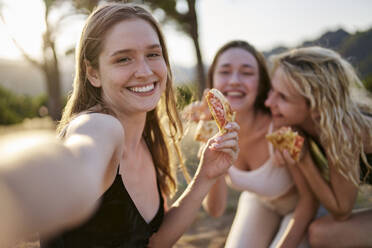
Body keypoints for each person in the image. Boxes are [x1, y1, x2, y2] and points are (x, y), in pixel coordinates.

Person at [0, 3, 240, 248]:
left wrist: (205, 176)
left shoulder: (148, 142)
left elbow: (153, 243)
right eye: (123, 59)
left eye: (153, 54)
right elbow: (78, 161)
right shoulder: (100, 127)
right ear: (93, 73)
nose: (145, 71)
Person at [183, 40, 317, 248]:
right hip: (259, 202)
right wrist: (213, 157)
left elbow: (309, 201)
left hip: (300, 210)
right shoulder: (213, 132)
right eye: (225, 72)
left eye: (246, 72)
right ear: (213, 82)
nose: (235, 81)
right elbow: (215, 210)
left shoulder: (281, 129)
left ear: (262, 83)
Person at [265, 46, 372, 247]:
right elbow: (308, 200)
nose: (269, 101)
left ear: (316, 105)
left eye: (283, 97)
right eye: (272, 90)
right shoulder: (306, 124)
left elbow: (341, 210)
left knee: (323, 233)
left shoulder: (342, 132)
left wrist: (304, 160)